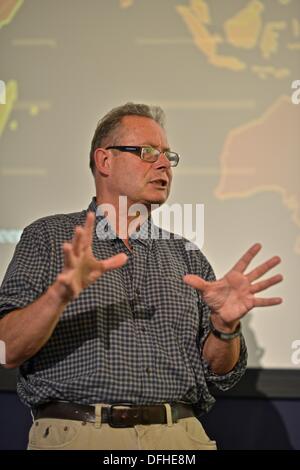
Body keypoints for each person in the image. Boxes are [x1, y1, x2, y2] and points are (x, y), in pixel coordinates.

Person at [0, 103, 283, 450]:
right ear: (104, 161)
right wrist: (59, 295)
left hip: (179, 438)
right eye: (147, 152)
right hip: (80, 435)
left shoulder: (187, 255)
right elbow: (5, 350)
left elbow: (221, 374)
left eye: (168, 155)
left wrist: (225, 329)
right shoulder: (48, 237)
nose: (163, 164)